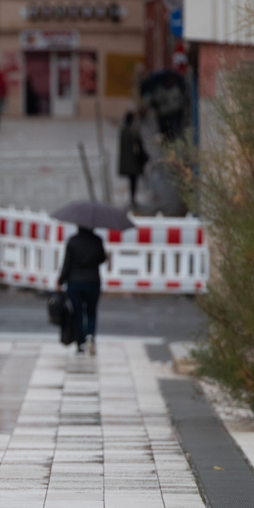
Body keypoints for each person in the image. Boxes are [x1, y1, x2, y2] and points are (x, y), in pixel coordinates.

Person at [58, 225, 108, 355]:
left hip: (75, 282)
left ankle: (80, 343)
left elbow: (67, 263)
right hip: (93, 281)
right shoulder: (97, 240)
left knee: (78, 313)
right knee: (91, 312)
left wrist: (60, 280)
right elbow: (102, 258)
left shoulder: (73, 241)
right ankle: (90, 337)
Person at [118, 111, 148, 209]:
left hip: (127, 162)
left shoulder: (123, 131)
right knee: (134, 181)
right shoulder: (133, 131)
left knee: (132, 181)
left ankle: (132, 198)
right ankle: (133, 198)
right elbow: (139, 145)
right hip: (133, 162)